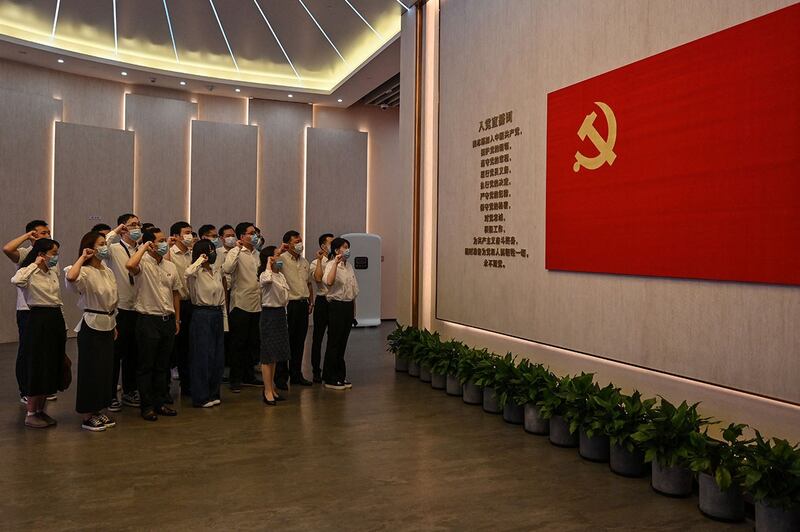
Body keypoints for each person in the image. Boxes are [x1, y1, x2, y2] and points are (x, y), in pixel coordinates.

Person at [126, 228, 181, 421]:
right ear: (150, 244)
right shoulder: (142, 262)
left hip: (167, 320)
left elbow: (175, 293)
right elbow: (129, 265)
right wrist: (143, 248)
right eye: (161, 240)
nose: (165, 243)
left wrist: (177, 319)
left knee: (162, 366)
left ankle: (160, 403)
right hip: (148, 320)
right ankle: (147, 406)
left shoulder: (170, 266)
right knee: (146, 366)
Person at [65, 231, 118, 432]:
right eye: (101, 244)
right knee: (90, 371)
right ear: (90, 247)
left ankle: (99, 409)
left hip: (109, 323)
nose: (105, 247)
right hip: (92, 324)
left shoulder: (107, 270)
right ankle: (87, 414)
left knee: (105, 370)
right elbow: (71, 277)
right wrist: (82, 257)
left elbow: (113, 299)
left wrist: (115, 323)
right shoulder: (84, 271)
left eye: (105, 243)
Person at [11, 238, 65, 428]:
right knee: (37, 364)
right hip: (37, 318)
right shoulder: (29, 271)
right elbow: (17, 280)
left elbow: (57, 299)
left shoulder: (51, 272)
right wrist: (35, 264)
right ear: (42, 254)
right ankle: (31, 413)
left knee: (50, 365)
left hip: (54, 317)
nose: (56, 257)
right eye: (53, 253)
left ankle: (41, 410)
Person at [2, 220, 53, 403]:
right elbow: (7, 249)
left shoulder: (50, 256)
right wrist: (27, 237)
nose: (47, 235)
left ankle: (41, 388)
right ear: (33, 234)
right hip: (27, 309)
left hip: (46, 309)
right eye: (43, 233)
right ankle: (25, 390)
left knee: (44, 351)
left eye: (48, 232)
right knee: (27, 352)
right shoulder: (25, 253)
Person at [104, 214, 143, 411]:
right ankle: (110, 394)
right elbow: (101, 246)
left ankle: (130, 390)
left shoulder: (142, 249)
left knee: (133, 353)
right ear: (123, 228)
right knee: (115, 354)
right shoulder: (114, 249)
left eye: (138, 224)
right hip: (120, 307)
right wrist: (115, 231)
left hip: (139, 307)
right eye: (132, 225)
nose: (137, 228)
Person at [183, 239, 226, 408]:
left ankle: (213, 392)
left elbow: (222, 295)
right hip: (202, 313)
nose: (212, 253)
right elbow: (187, 273)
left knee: (217, 355)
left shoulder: (216, 270)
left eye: (213, 249)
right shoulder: (196, 272)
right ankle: (200, 396)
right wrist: (199, 261)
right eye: (209, 250)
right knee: (202, 355)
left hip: (217, 312)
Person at [222, 222, 263, 392]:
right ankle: (235, 379)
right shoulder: (235, 252)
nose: (255, 236)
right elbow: (227, 268)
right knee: (238, 344)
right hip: (240, 304)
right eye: (251, 233)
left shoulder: (257, 253)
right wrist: (237, 249)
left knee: (253, 343)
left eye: (255, 233)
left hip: (257, 303)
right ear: (242, 236)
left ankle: (249, 375)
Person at [277, 230, 313, 389]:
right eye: (296, 241)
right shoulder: (282, 259)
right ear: (288, 244)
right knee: (286, 341)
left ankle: (296, 374)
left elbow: (309, 283)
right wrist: (279, 252)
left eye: (300, 241)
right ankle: (281, 377)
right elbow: (273, 271)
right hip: (289, 304)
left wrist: (311, 301)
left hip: (303, 304)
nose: (300, 244)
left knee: (299, 341)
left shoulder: (304, 262)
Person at [322, 237, 359, 391]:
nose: (347, 249)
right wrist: (336, 264)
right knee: (334, 342)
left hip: (347, 307)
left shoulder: (349, 266)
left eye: (348, 246)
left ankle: (340, 375)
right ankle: (330, 377)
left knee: (342, 343)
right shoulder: (331, 264)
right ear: (337, 250)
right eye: (344, 247)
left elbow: (353, 291)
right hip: (336, 306)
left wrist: (354, 313)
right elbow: (329, 282)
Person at [257, 246, 290, 405]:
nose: (280, 257)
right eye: (277, 255)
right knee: (268, 354)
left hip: (280, 314)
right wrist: (268, 265)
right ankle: (267, 390)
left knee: (275, 355)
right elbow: (267, 280)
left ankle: (273, 387)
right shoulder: (265, 274)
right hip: (269, 314)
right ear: (269, 258)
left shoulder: (281, 275)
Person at [168, 221, 194, 395]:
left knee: (190, 346)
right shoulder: (169, 253)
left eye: (191, 232)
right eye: (186, 232)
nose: (189, 236)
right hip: (176, 303)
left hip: (193, 303)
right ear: (176, 236)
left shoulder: (193, 254)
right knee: (178, 346)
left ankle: (188, 384)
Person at [309, 233, 334, 383]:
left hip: (335, 302)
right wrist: (319, 260)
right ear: (323, 246)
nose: (333, 245)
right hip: (322, 301)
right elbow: (318, 278)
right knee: (317, 338)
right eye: (331, 243)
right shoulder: (315, 262)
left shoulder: (337, 262)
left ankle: (330, 370)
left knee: (334, 337)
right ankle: (316, 371)